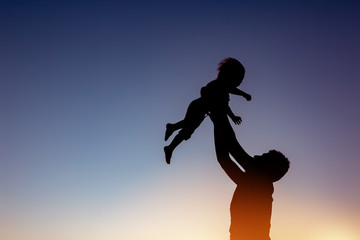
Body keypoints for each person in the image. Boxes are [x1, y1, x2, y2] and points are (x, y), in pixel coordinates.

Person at [210, 112, 290, 240]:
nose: (257, 156)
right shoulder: (251, 185)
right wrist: (217, 121)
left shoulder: (261, 183)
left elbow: (231, 145)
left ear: (267, 168)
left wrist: (220, 111)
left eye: (263, 157)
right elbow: (223, 158)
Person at [164, 58, 251, 164]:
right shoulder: (217, 85)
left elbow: (224, 106)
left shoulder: (223, 91)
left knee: (188, 129)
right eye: (239, 79)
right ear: (229, 76)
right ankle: (170, 139)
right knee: (188, 128)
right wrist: (243, 94)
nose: (240, 82)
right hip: (197, 107)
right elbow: (225, 95)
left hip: (203, 111)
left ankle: (171, 138)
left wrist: (233, 116)